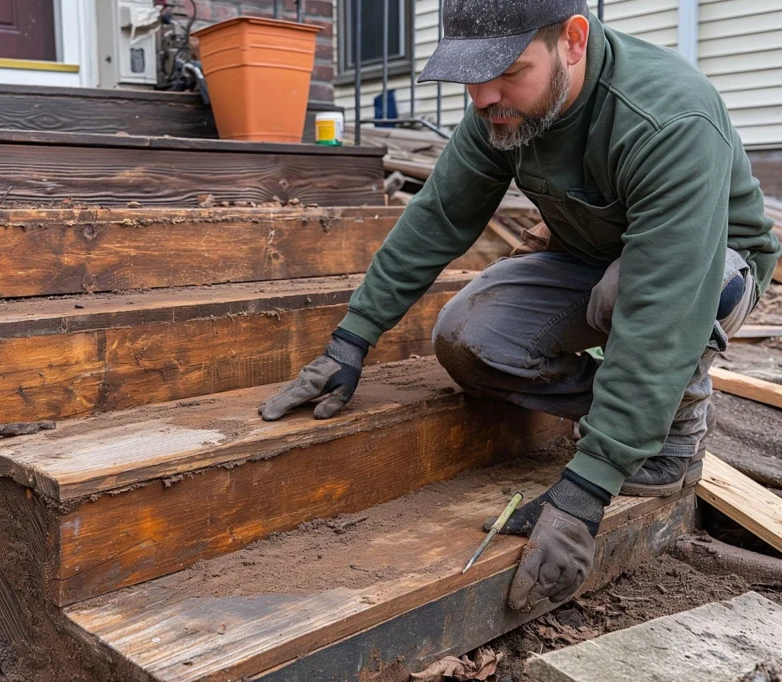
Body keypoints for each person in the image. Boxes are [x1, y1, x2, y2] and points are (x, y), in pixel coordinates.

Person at [258, 0, 781, 612]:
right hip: (593, 253)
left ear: (574, 43)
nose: (485, 97)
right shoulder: (498, 109)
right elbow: (438, 217)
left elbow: (663, 304)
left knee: (629, 293)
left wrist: (585, 492)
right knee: (467, 335)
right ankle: (634, 411)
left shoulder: (667, 119)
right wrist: (350, 341)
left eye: (509, 71)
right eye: (472, 76)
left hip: (707, 268)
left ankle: (673, 436)